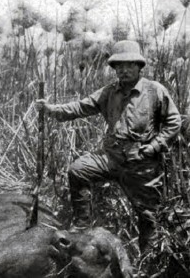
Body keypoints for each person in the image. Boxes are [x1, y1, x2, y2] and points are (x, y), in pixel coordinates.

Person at [35, 40, 181, 253]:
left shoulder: (154, 91)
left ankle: (146, 259)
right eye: (118, 66)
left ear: (139, 66)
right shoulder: (109, 92)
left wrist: (155, 146)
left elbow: (174, 121)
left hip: (141, 163)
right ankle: (82, 225)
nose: (123, 70)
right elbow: (80, 106)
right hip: (111, 158)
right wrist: (50, 109)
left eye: (129, 65)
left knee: (149, 215)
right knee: (78, 170)